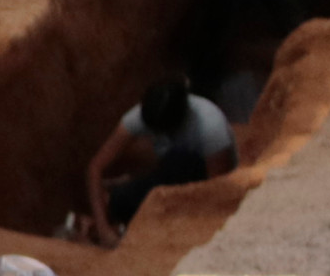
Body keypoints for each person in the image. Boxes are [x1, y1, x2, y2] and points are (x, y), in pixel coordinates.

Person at [79, 72, 235, 247]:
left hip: (200, 179)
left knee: (178, 160)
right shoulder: (142, 116)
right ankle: (124, 194)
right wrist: (103, 228)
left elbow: (218, 189)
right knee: (121, 201)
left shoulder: (210, 127)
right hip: (167, 177)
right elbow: (95, 167)